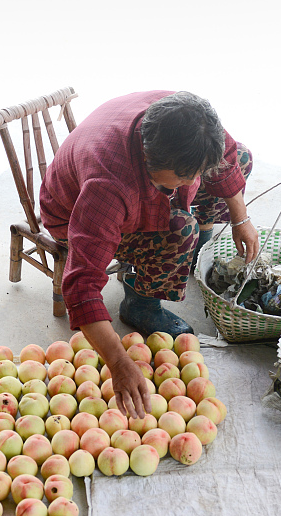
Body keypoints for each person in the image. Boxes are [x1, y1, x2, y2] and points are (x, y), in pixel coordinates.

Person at [39, 90, 259, 418]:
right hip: (71, 212)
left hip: (127, 181)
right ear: (151, 161)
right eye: (185, 177)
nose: (195, 181)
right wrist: (118, 361)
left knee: (240, 158)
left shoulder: (188, 119)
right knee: (182, 229)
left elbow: (226, 154)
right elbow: (81, 284)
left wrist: (241, 220)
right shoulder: (110, 186)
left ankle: (194, 252)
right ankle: (140, 302)